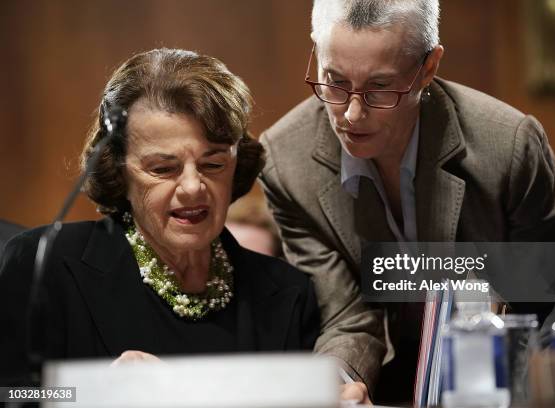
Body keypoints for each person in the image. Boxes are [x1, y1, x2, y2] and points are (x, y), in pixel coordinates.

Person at [259, 0, 555, 404]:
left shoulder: (509, 146)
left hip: (500, 381)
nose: (352, 114)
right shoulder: (285, 162)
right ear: (315, 52)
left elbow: (552, 297)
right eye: (335, 81)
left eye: (379, 87)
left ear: (429, 68)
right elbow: (344, 315)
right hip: (384, 388)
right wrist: (339, 387)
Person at [0, 48, 320, 387]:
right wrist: (96, 392)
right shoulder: (45, 263)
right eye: (164, 169)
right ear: (118, 171)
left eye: (213, 165)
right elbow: (10, 393)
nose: (193, 187)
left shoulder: (287, 293)